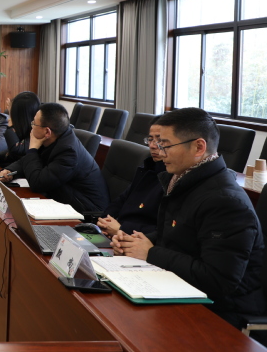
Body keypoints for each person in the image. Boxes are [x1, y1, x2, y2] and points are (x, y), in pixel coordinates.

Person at [111, 108, 264, 328]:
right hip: (180, 289)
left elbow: (218, 280)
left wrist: (150, 253)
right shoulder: (185, 180)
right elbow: (177, 233)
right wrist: (133, 242)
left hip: (220, 313)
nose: (160, 152)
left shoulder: (225, 201)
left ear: (199, 147)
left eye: (166, 145)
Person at [0, 102, 109, 212]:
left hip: (87, 208)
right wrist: (10, 171)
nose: (31, 127)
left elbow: (37, 183)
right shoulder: (54, 137)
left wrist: (32, 149)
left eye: (34, 123)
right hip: (64, 194)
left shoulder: (68, 152)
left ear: (47, 131)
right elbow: (26, 161)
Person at [96, 123, 165, 237]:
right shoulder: (147, 167)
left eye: (160, 141)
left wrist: (121, 229)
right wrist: (105, 222)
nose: (152, 145)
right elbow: (121, 200)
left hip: (135, 238)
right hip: (116, 233)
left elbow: (160, 229)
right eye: (150, 139)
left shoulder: (174, 179)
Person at [0, 91, 40, 168]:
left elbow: (17, 149)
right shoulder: (23, 127)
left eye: (13, 112)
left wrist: (10, 124)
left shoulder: (36, 131)